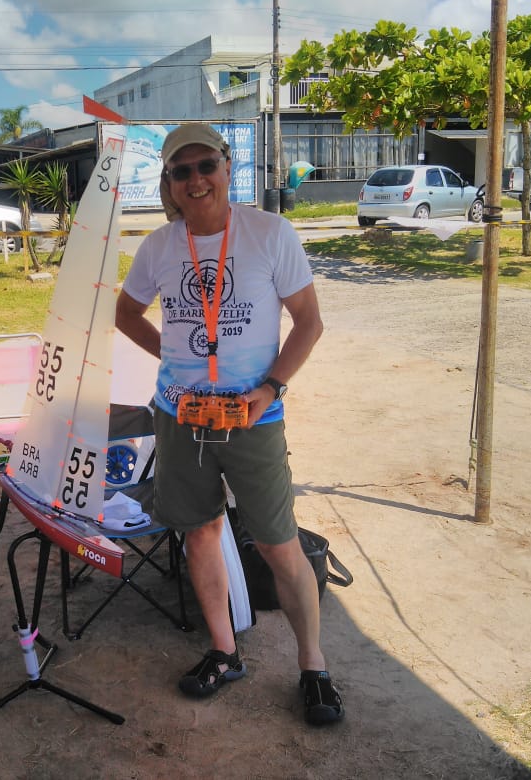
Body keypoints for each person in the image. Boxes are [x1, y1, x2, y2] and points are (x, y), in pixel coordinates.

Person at [115, 124, 343, 726]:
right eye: (181, 171)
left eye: (205, 166)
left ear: (227, 166)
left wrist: (270, 388)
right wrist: (171, 358)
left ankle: (314, 667)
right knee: (199, 533)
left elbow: (309, 322)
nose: (196, 180)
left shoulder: (270, 233)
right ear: (169, 182)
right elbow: (125, 313)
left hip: (252, 416)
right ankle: (224, 651)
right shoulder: (159, 247)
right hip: (180, 418)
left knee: (277, 543)